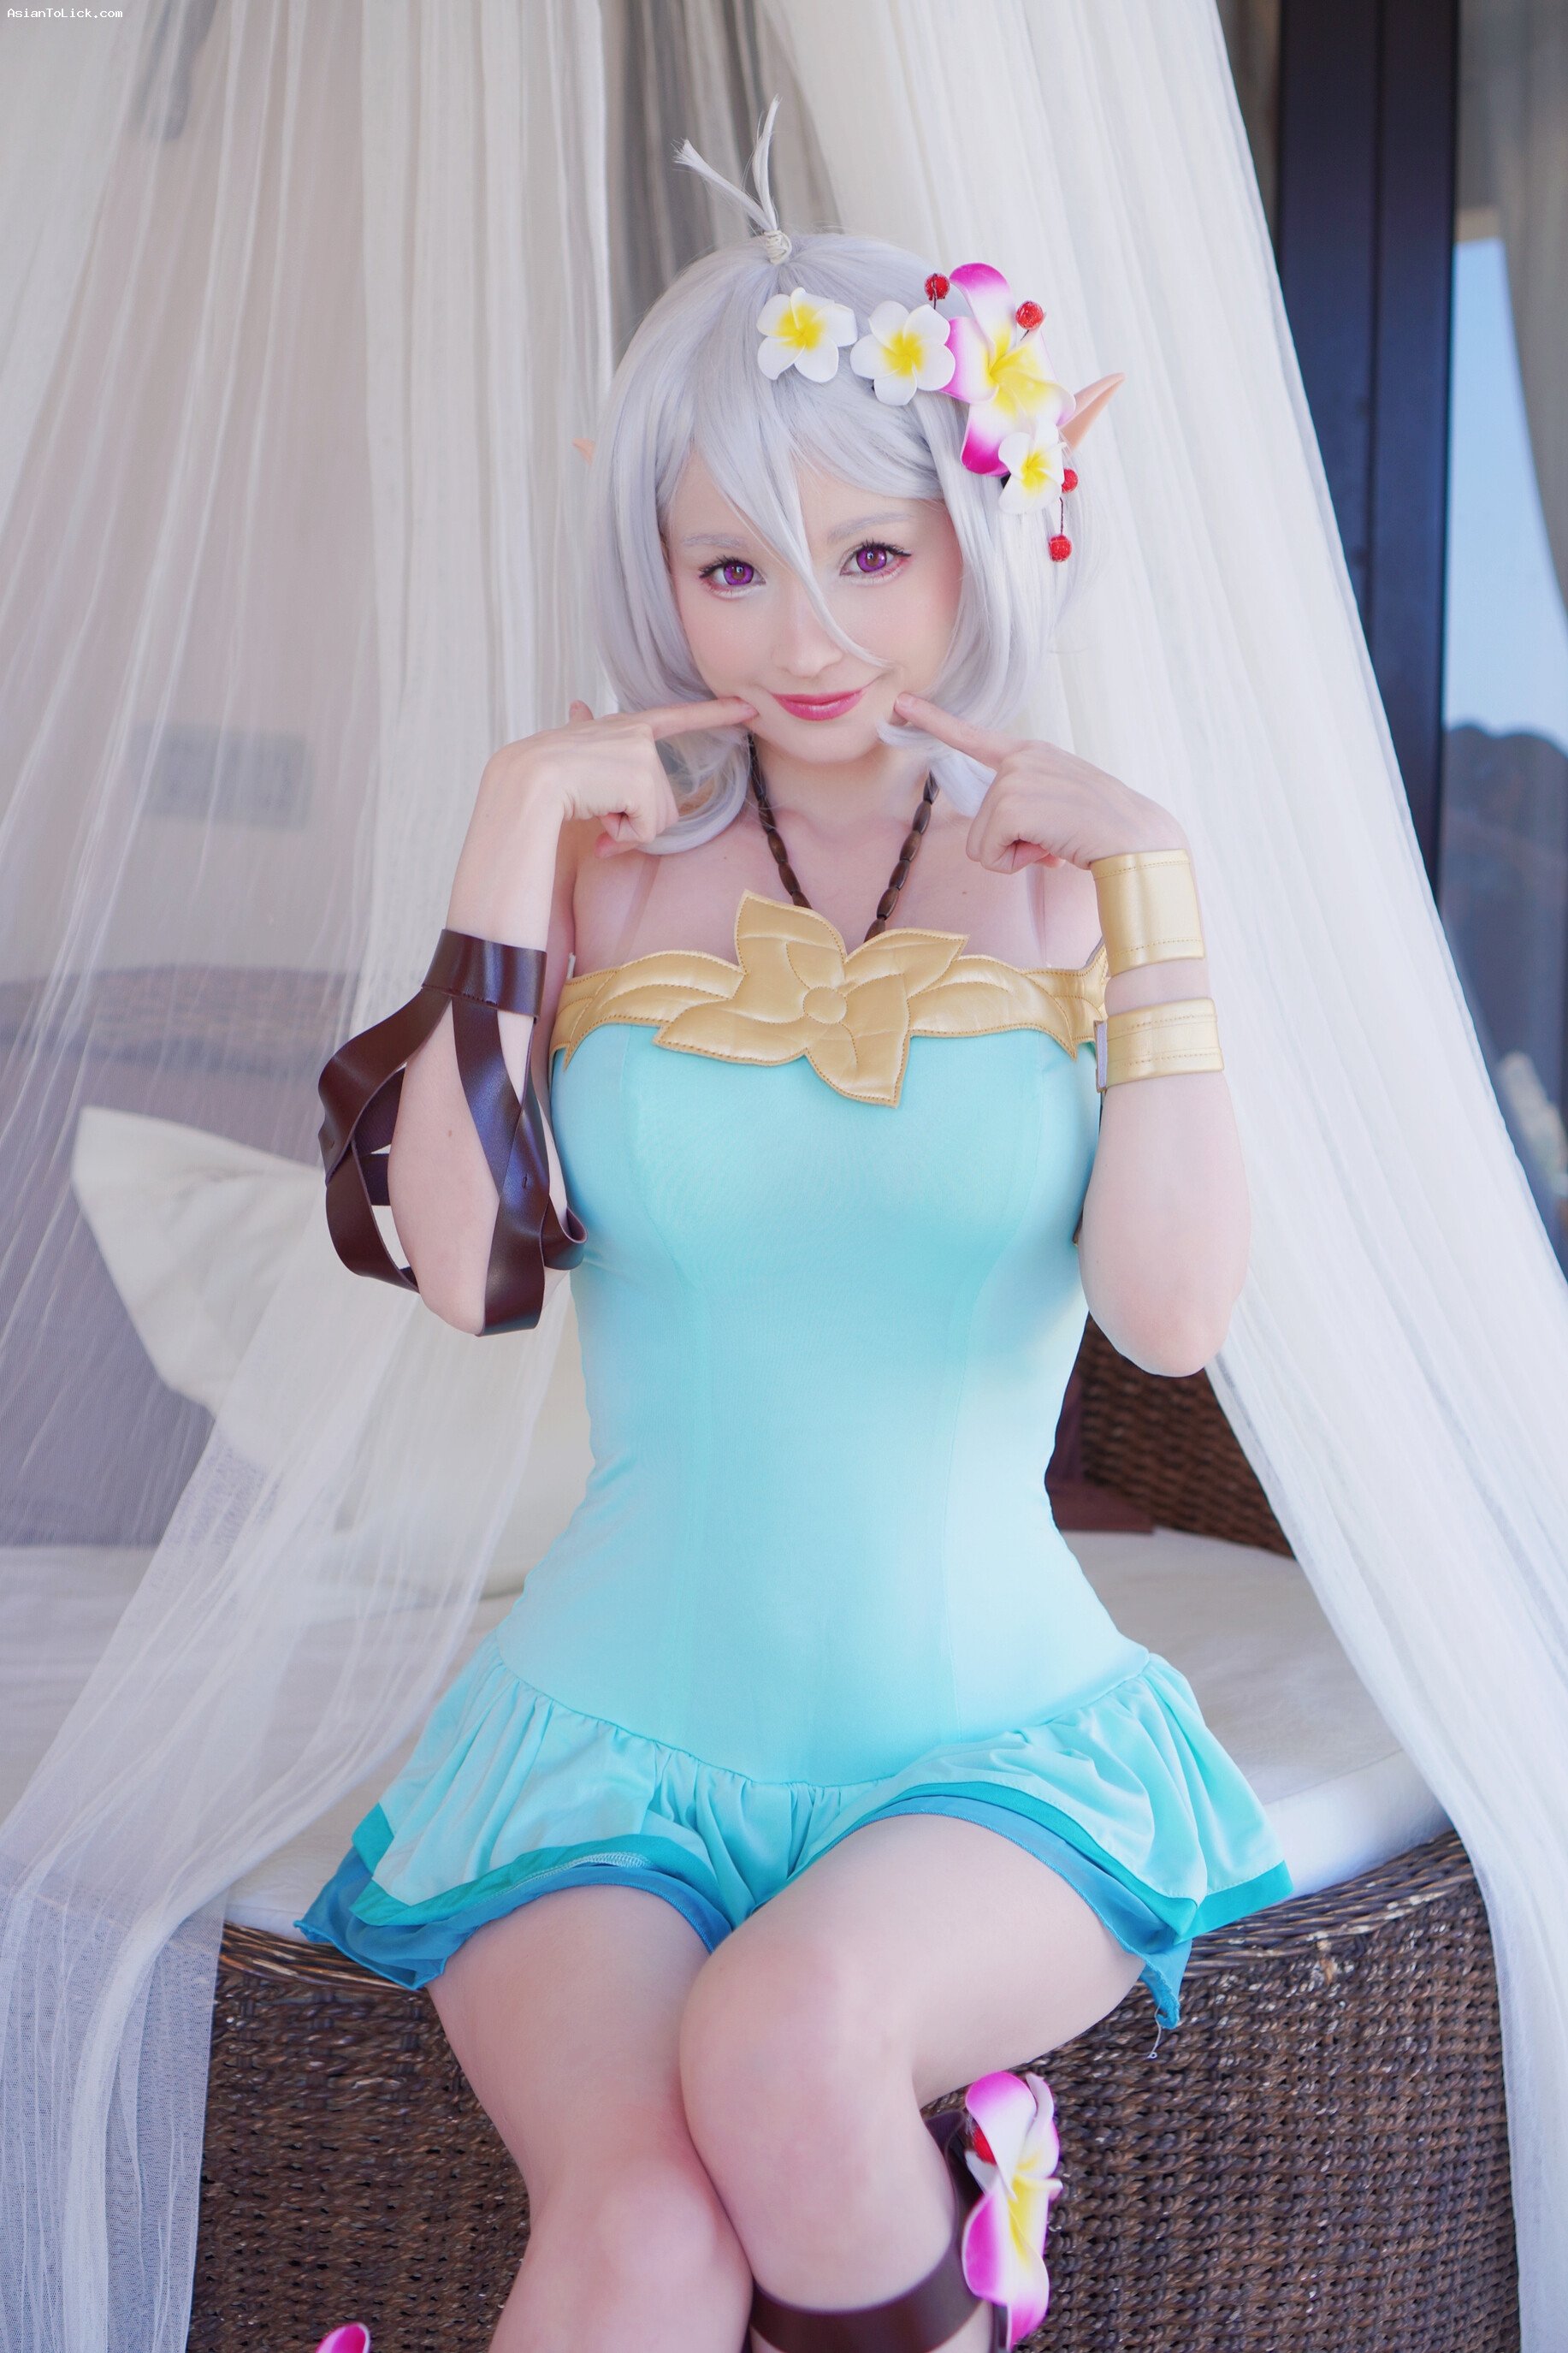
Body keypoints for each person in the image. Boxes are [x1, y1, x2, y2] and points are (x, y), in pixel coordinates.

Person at [301, 113, 1293, 2353]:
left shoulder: (1074, 889)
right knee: (646, 2236)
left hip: (993, 1745)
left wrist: (1155, 903)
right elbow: (461, 1274)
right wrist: (504, 840)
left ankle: (938, 2241)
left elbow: (1170, 1310)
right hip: (600, 1741)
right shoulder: (602, 883)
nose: (813, 632)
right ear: (658, 577)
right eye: (734, 569)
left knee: (784, 2037)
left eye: (870, 552)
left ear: (978, 544)